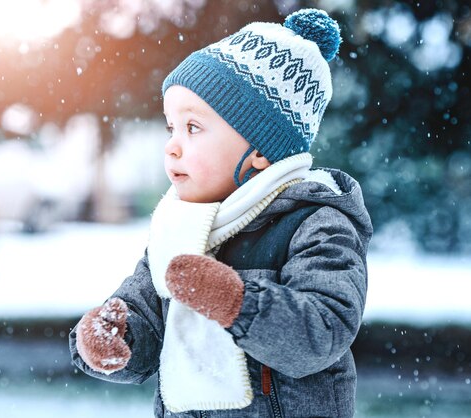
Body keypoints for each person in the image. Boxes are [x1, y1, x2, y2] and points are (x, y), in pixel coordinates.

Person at [69, 8, 372, 418]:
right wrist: (110, 341)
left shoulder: (316, 222)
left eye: (192, 128)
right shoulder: (177, 226)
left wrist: (236, 302)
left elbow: (321, 333)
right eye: (169, 128)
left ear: (261, 149)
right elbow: (143, 318)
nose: (172, 146)